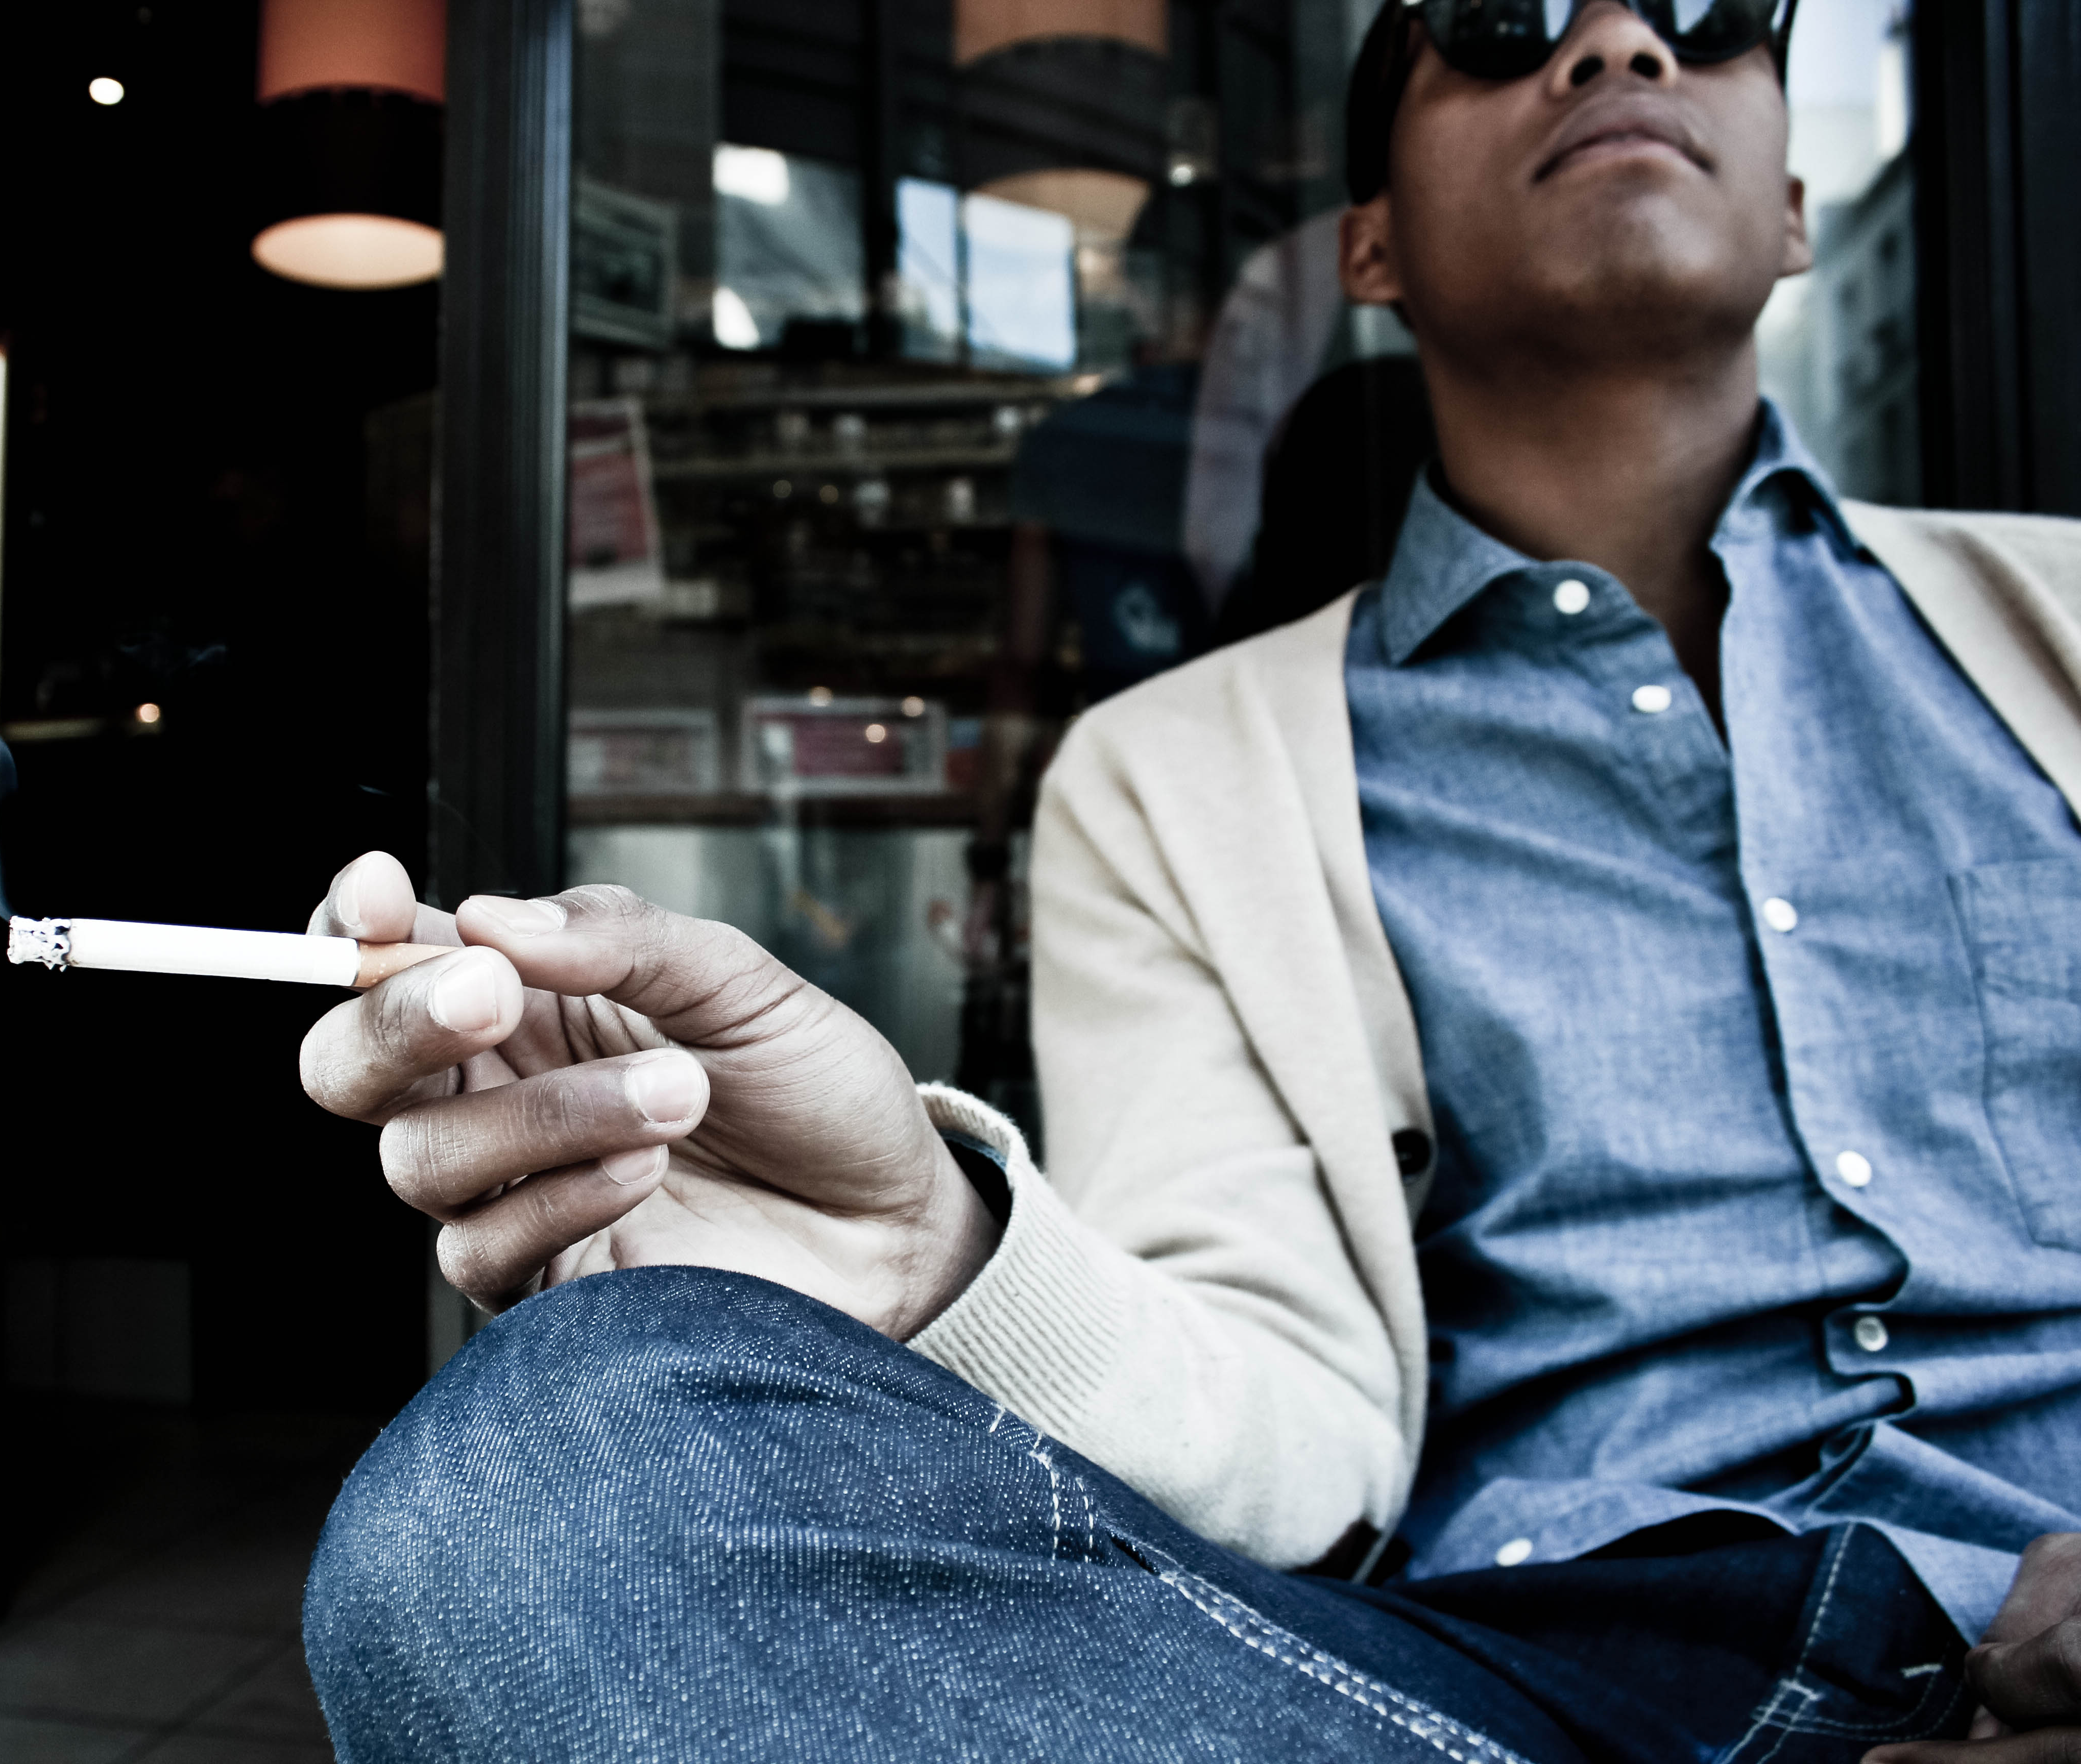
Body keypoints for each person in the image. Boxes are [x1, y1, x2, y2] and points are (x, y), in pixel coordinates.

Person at [294, 3, 2081, 1758]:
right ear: (1371, 248)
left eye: (1716, 11)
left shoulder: (2058, 616)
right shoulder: (1176, 778)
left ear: (1796, 209)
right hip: (1543, 1678)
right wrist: (925, 1247)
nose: (1619, 44)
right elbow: (1284, 1434)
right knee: (533, 1491)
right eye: (1493, 21)